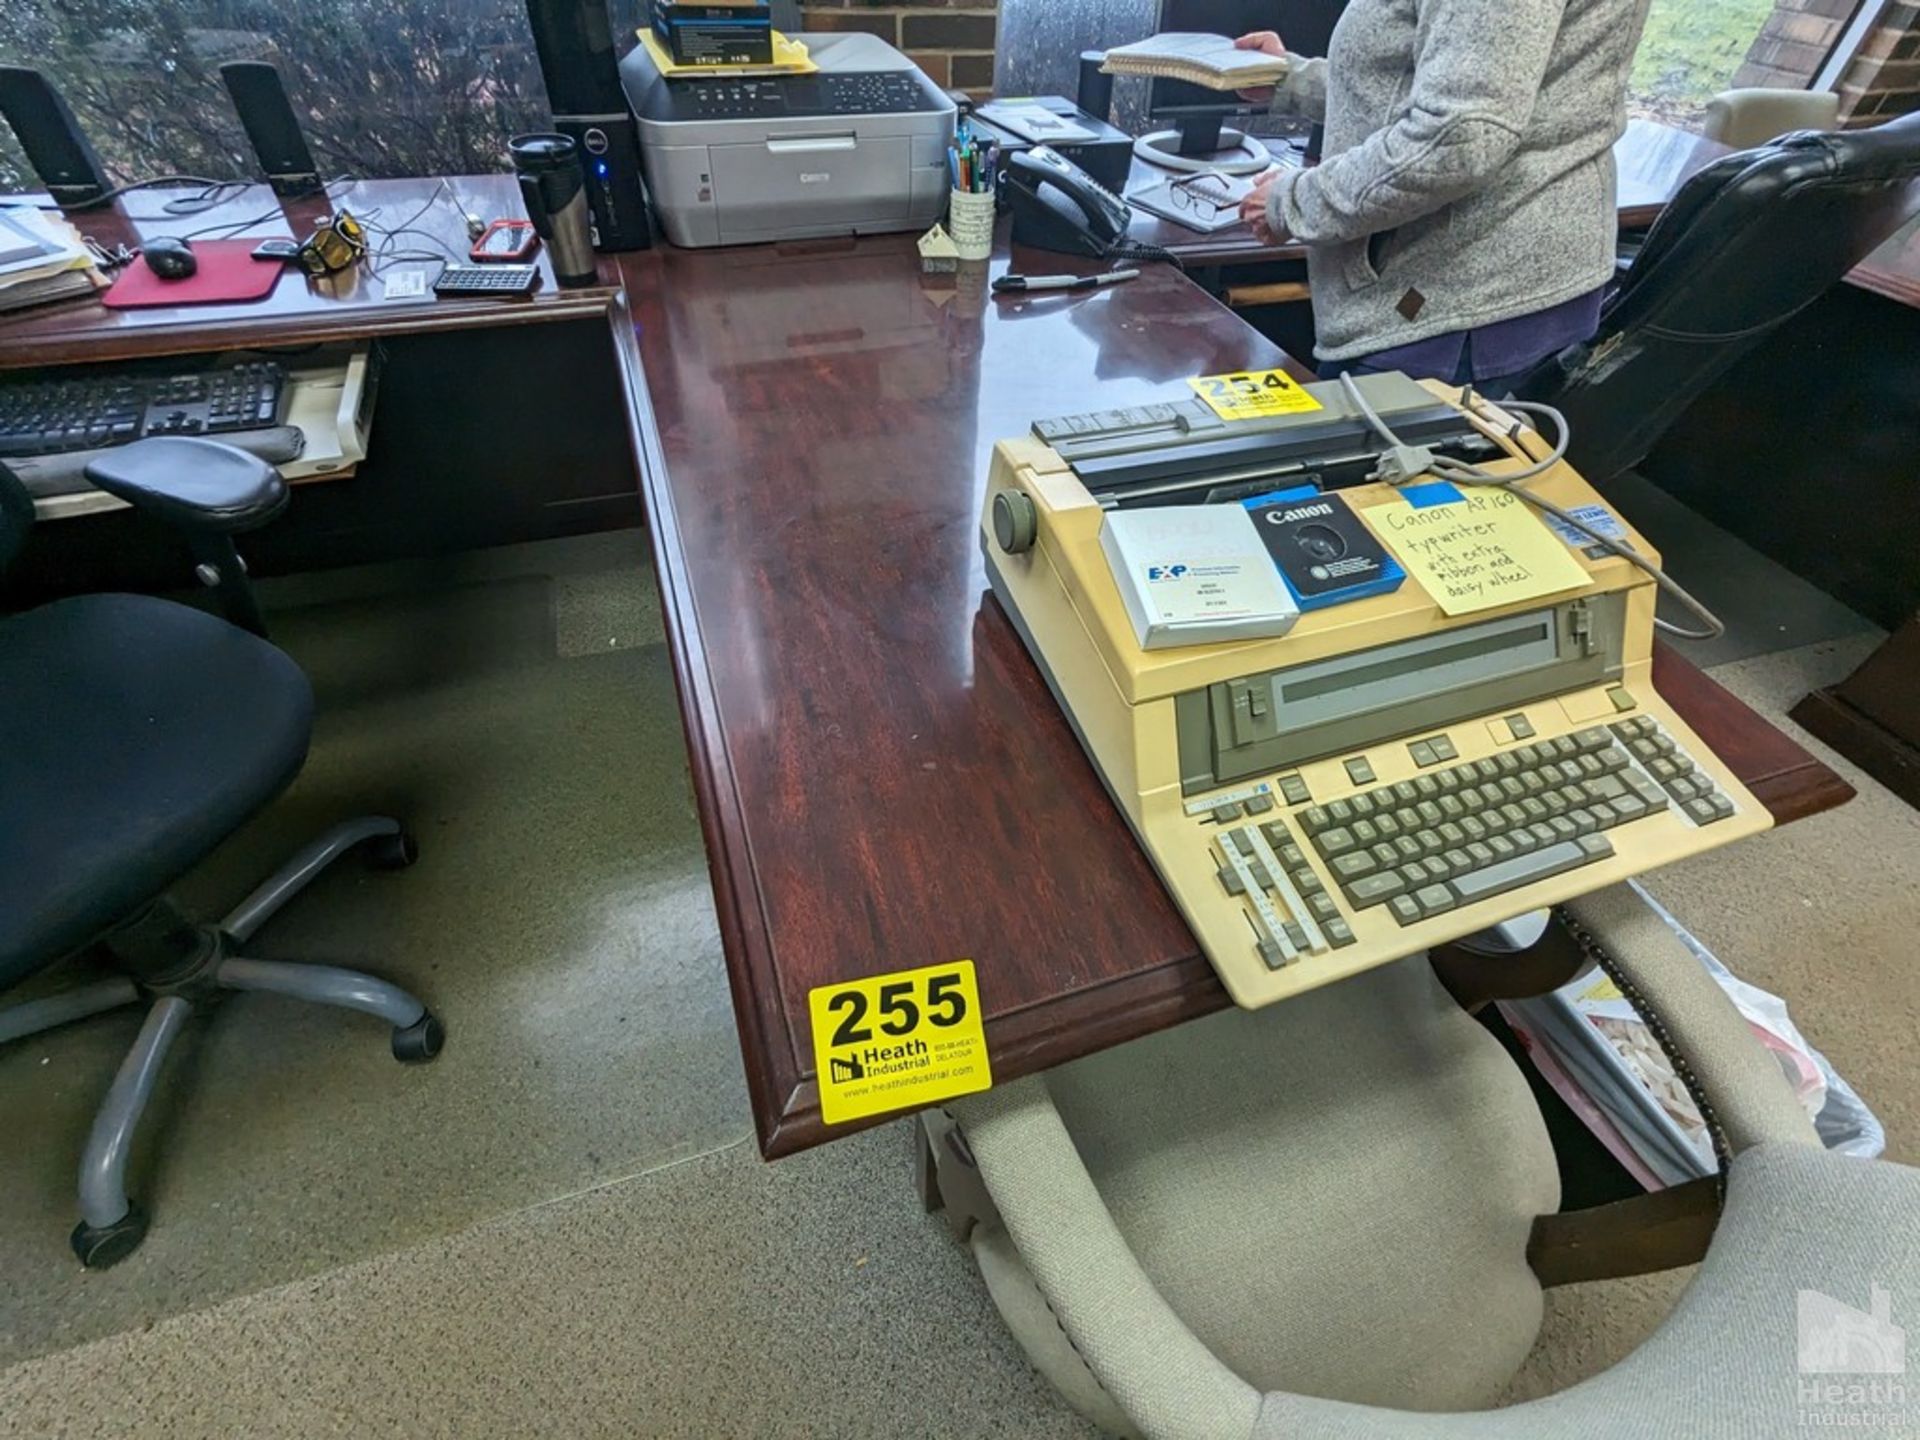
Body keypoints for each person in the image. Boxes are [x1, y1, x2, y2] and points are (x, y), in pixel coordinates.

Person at [1233, 0, 1653, 395]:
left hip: (1456, 305)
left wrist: (1295, 201)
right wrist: (1295, 81)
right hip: (1500, 287)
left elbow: (1461, 137)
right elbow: (1444, 81)